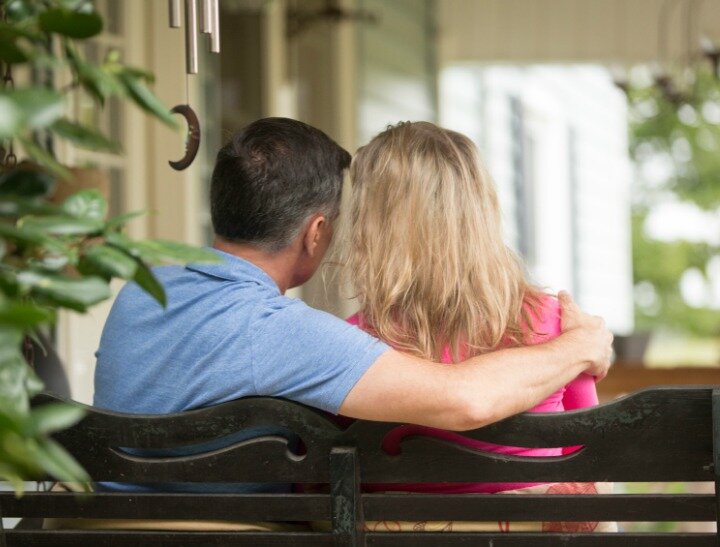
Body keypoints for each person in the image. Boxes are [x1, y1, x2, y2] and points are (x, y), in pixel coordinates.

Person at [94, 117, 613, 494]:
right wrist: (581, 344)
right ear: (316, 233)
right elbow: (465, 401)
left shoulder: (141, 292)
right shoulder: (288, 334)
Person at [340, 120, 614, 533]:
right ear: (481, 211)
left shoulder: (347, 343)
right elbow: (588, 454)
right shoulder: (561, 326)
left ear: (371, 223)